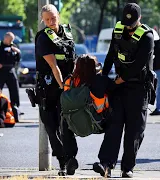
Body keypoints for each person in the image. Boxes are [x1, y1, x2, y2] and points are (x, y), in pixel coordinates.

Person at [93, 3, 154, 178]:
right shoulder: (118, 31)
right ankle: (106, 164)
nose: (129, 27)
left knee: (134, 131)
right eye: (127, 23)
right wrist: (104, 78)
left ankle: (127, 167)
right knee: (114, 125)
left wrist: (120, 79)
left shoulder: (147, 36)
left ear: (139, 19)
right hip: (119, 87)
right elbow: (112, 54)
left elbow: (139, 64)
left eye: (132, 23)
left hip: (139, 88)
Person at [35, 4, 76, 176]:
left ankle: (71, 158)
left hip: (65, 87)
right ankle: (62, 162)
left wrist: (72, 84)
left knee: (67, 125)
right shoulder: (43, 37)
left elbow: (72, 61)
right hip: (49, 89)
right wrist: (63, 87)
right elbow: (54, 66)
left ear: (58, 15)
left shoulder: (67, 33)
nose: (51, 22)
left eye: (53, 18)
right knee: (52, 128)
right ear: (43, 20)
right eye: (47, 19)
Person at [61, 55, 113, 175]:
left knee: (63, 119)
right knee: (116, 123)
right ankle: (105, 162)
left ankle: (70, 158)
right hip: (99, 124)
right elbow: (115, 90)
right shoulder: (102, 81)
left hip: (74, 125)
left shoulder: (69, 81)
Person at [0, 32, 21, 122]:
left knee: (14, 90)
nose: (11, 42)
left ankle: (15, 111)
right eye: (10, 40)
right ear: (5, 38)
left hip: (10, 70)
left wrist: (17, 52)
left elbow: (18, 59)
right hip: (0, 71)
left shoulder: (13, 46)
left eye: (12, 40)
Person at [150, 30, 160, 115]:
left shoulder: (156, 43)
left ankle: (158, 108)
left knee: (158, 89)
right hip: (157, 68)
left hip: (157, 69)